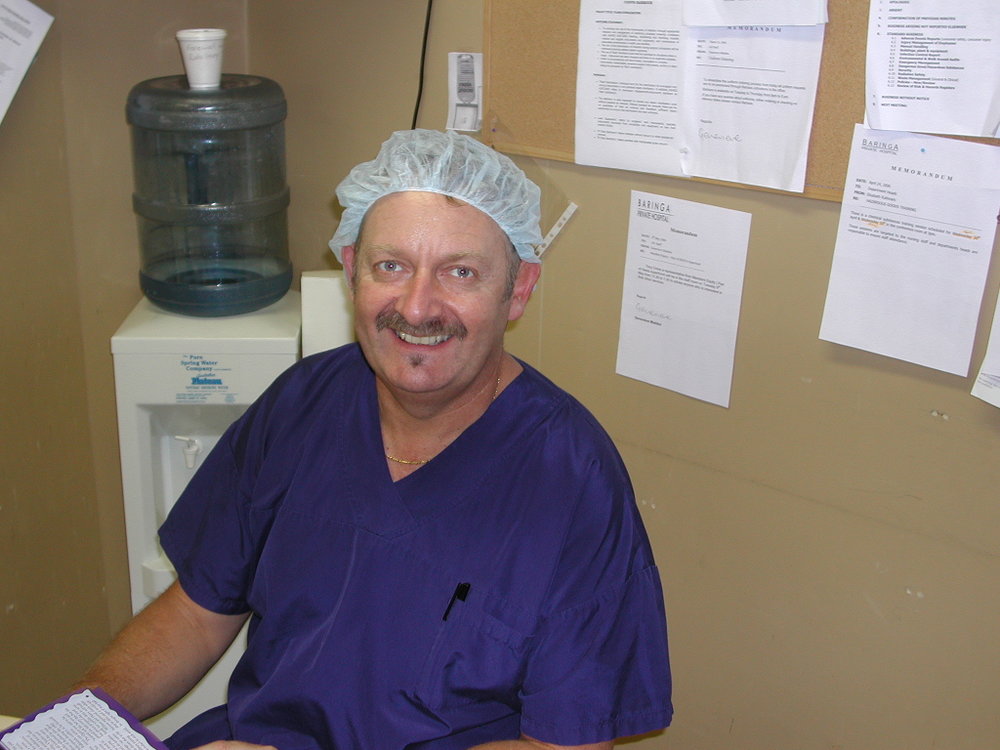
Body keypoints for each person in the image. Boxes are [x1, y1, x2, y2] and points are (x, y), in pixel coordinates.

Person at [75, 129, 673, 750]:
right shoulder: (302, 405)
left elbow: (566, 746)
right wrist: (75, 725)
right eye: (391, 266)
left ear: (517, 291)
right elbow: (196, 615)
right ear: (351, 268)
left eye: (460, 272)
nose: (416, 308)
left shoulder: (571, 481)